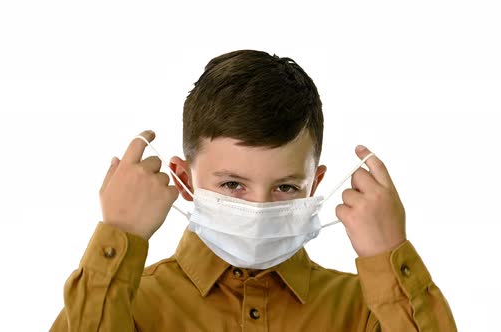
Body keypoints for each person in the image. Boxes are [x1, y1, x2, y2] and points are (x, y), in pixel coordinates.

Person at [50, 50, 457, 331]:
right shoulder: (127, 300)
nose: (259, 208)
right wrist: (119, 235)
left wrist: (389, 256)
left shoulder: (367, 310)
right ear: (184, 179)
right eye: (232, 185)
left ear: (315, 186)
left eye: (285, 186)